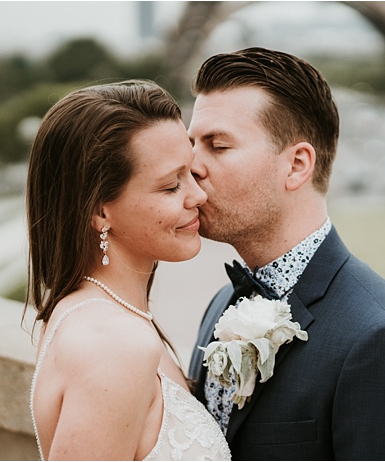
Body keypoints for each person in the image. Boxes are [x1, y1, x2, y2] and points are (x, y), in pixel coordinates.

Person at [186, 47, 385, 460]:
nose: (192, 166)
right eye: (192, 145)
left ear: (296, 165)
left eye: (217, 146)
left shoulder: (384, 342)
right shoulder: (222, 303)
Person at [26, 80, 231, 460]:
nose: (198, 196)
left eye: (192, 174)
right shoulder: (114, 343)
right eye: (171, 186)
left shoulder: (94, 314)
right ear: (100, 211)